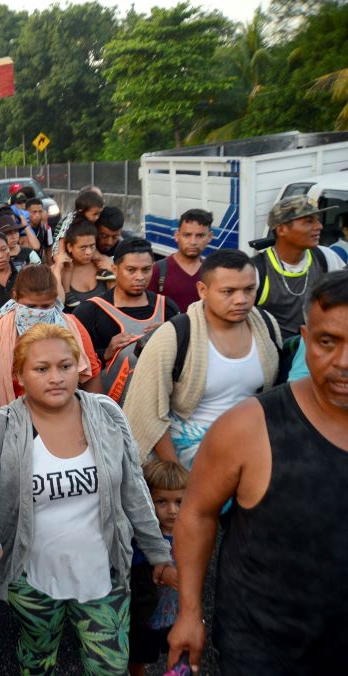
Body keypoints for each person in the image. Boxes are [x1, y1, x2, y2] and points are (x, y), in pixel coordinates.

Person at [168, 270, 348, 672]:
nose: (344, 362)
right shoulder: (247, 428)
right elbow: (197, 513)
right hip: (263, 649)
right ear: (304, 340)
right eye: (327, 342)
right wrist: (189, 614)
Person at [0, 323, 173, 673]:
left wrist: (158, 552)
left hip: (104, 572)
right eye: (41, 368)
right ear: (19, 374)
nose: (56, 377)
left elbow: (133, 487)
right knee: (38, 659)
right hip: (31, 579)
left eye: (65, 366)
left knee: (109, 666)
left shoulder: (107, 414)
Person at [124, 249, 282, 469]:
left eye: (249, 289)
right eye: (228, 291)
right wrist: (176, 474)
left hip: (253, 453)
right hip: (190, 461)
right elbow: (147, 412)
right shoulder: (174, 336)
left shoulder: (266, 326)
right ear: (203, 290)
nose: (241, 300)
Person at [0, 265, 101, 420]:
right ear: (16, 297)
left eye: (46, 306)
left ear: (55, 299)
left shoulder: (72, 327)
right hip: (17, 420)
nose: (38, 313)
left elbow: (91, 376)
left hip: (69, 415)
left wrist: (95, 420)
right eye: (30, 307)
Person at [72, 238, 180, 403]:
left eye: (146, 269)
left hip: (158, 403)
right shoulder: (89, 312)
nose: (140, 277)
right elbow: (72, 363)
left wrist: (171, 334)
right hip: (109, 408)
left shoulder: (167, 307)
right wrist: (105, 353)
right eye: (131, 270)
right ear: (115, 269)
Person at [252, 194, 345, 339]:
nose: (319, 226)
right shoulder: (257, 270)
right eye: (309, 221)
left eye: (318, 220)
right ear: (281, 230)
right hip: (277, 357)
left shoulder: (326, 257)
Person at [129, 461, 187, 676]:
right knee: (138, 658)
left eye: (179, 501)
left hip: (178, 613)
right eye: (161, 501)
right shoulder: (140, 537)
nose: (172, 510)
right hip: (145, 615)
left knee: (180, 654)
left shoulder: (191, 534)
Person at [148, 209, 213, 312]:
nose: (193, 242)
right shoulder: (158, 271)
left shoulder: (212, 272)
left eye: (200, 236)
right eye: (187, 235)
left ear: (210, 237)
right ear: (177, 236)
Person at [52, 222, 108, 312]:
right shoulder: (58, 271)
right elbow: (56, 305)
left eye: (92, 246)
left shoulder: (102, 266)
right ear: (70, 247)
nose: (88, 252)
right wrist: (58, 269)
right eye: (83, 248)